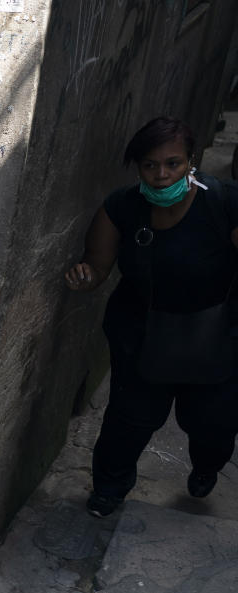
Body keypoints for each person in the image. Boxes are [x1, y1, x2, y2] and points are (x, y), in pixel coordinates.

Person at [64, 117, 238, 518]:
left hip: (214, 336)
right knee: (129, 421)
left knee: (212, 423)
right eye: (150, 166)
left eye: (173, 164)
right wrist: (84, 277)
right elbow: (97, 265)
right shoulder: (122, 207)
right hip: (141, 334)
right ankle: (110, 487)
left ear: (190, 162)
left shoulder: (224, 203)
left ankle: (207, 466)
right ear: (138, 167)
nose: (162, 175)